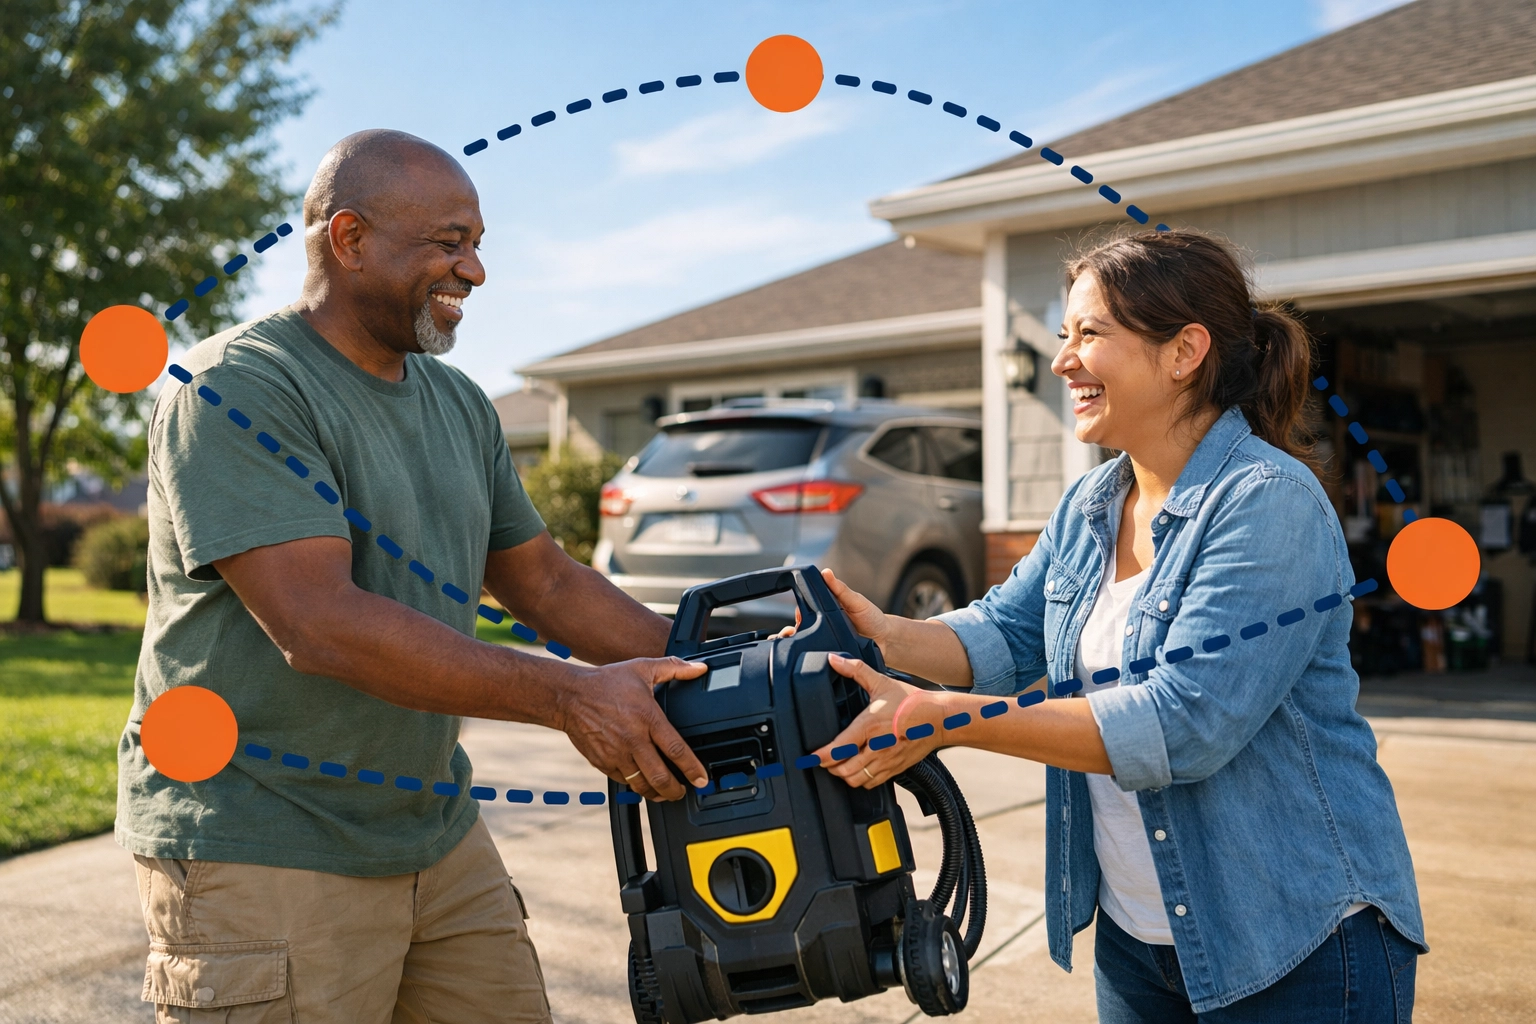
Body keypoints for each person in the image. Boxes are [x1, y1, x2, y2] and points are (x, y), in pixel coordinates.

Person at [117, 129, 711, 1024]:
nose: (473, 271)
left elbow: (545, 584)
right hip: (263, 837)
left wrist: (722, 660)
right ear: (349, 240)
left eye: (476, 245)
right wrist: (570, 697)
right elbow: (317, 624)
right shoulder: (236, 388)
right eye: (447, 242)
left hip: (435, 835)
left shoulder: (458, 403)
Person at [793, 230, 1425, 1021]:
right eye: (1064, 335)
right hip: (1140, 944)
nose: (1064, 360)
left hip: (1295, 940)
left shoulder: (1267, 501)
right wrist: (883, 632)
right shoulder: (1091, 505)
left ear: (1183, 351)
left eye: (1090, 333)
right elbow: (1006, 633)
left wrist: (948, 720)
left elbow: (1184, 721)